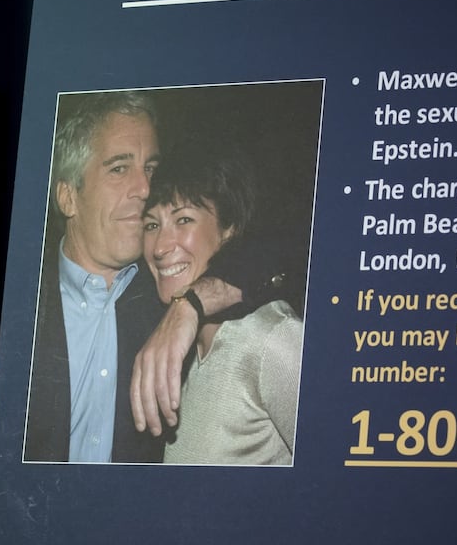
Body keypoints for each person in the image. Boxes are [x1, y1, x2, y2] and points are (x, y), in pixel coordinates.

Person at [24, 91, 274, 463]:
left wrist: (189, 306)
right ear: (68, 197)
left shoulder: (169, 286)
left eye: (151, 169)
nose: (144, 189)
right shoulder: (21, 300)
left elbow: (272, 252)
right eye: (119, 168)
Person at [140, 148, 303, 465]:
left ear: (229, 230)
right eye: (151, 225)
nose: (160, 247)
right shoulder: (170, 343)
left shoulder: (273, 339)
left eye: (183, 219)